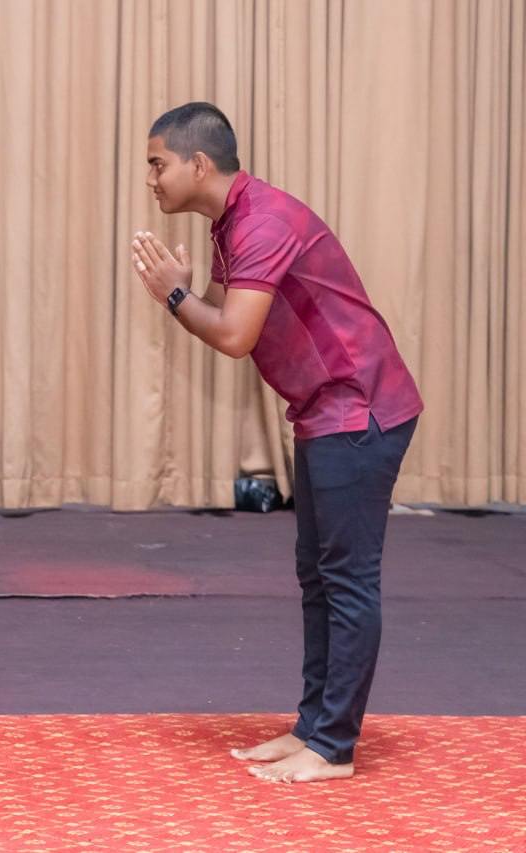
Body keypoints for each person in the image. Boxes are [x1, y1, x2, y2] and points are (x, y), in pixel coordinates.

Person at [131, 102, 423, 783]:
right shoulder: (231, 221)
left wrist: (175, 298)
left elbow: (235, 336)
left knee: (346, 580)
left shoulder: (262, 221)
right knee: (318, 576)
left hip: (361, 409)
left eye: (157, 164)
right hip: (324, 412)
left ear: (198, 163)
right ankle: (314, 727)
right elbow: (223, 313)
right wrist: (184, 294)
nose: (150, 178)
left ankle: (334, 746)